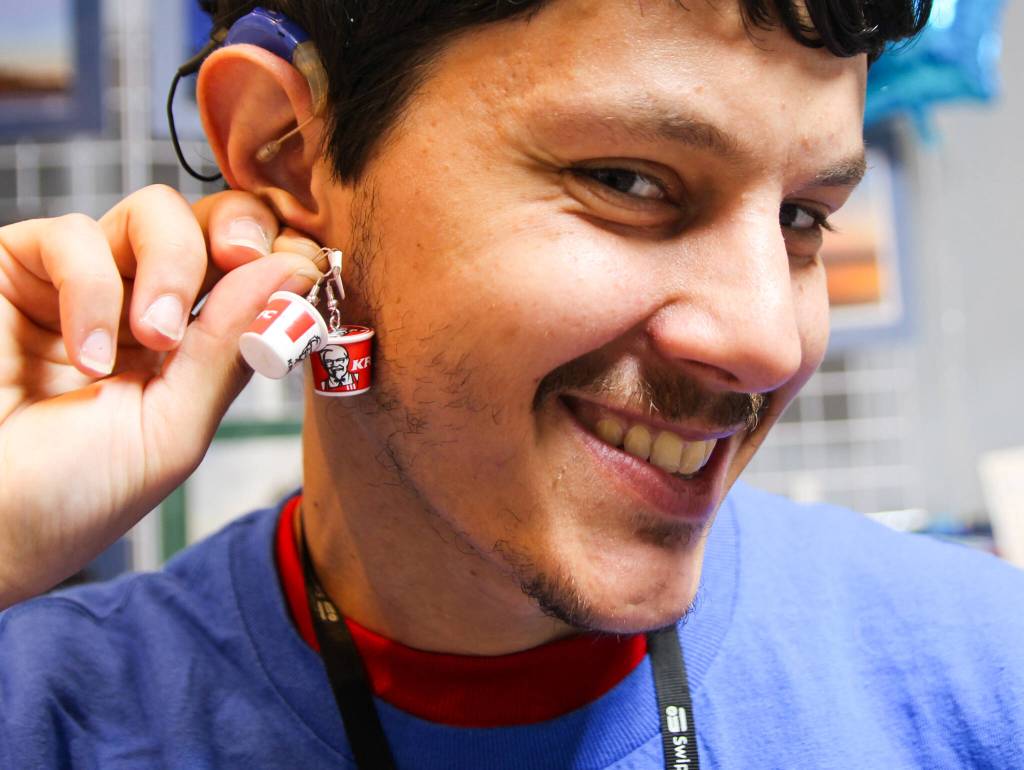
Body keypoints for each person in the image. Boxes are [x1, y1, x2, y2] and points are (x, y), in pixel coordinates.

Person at [2, 1, 1023, 768]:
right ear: (288, 155)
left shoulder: (982, 678)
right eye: (628, 181)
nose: (767, 341)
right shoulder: (45, 718)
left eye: (803, 216)